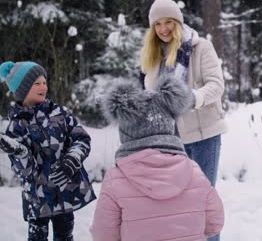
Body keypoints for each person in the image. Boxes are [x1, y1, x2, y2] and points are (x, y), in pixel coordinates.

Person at [90, 76, 224, 241]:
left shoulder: (115, 179)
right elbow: (214, 224)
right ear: (169, 126)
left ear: (126, 133)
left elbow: (103, 235)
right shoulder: (194, 172)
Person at [140, 0, 227, 241]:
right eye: (158, 24)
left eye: (168, 22)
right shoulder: (153, 54)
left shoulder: (201, 48)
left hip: (204, 136)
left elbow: (216, 86)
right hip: (171, 140)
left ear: (178, 22)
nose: (163, 29)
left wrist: (192, 98)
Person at [0, 61, 96, 241]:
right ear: (22, 89)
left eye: (44, 82)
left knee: (65, 236)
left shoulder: (60, 113)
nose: (43, 86)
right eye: (36, 83)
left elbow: (81, 138)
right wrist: (20, 152)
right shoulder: (17, 124)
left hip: (65, 190)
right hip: (37, 198)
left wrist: (72, 159)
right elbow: (26, 171)